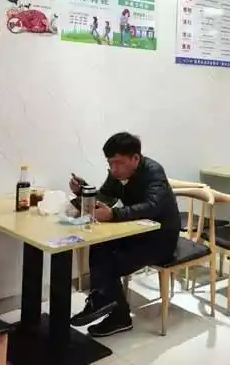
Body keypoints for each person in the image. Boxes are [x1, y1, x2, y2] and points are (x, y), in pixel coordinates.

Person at [69, 132, 180, 337]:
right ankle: (104, 301)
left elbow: (152, 206)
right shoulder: (116, 174)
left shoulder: (153, 172)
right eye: (110, 163)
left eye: (119, 163)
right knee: (100, 245)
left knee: (109, 262)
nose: (114, 169)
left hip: (161, 239)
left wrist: (113, 214)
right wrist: (83, 190)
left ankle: (111, 308)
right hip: (137, 233)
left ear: (135, 158)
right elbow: (105, 196)